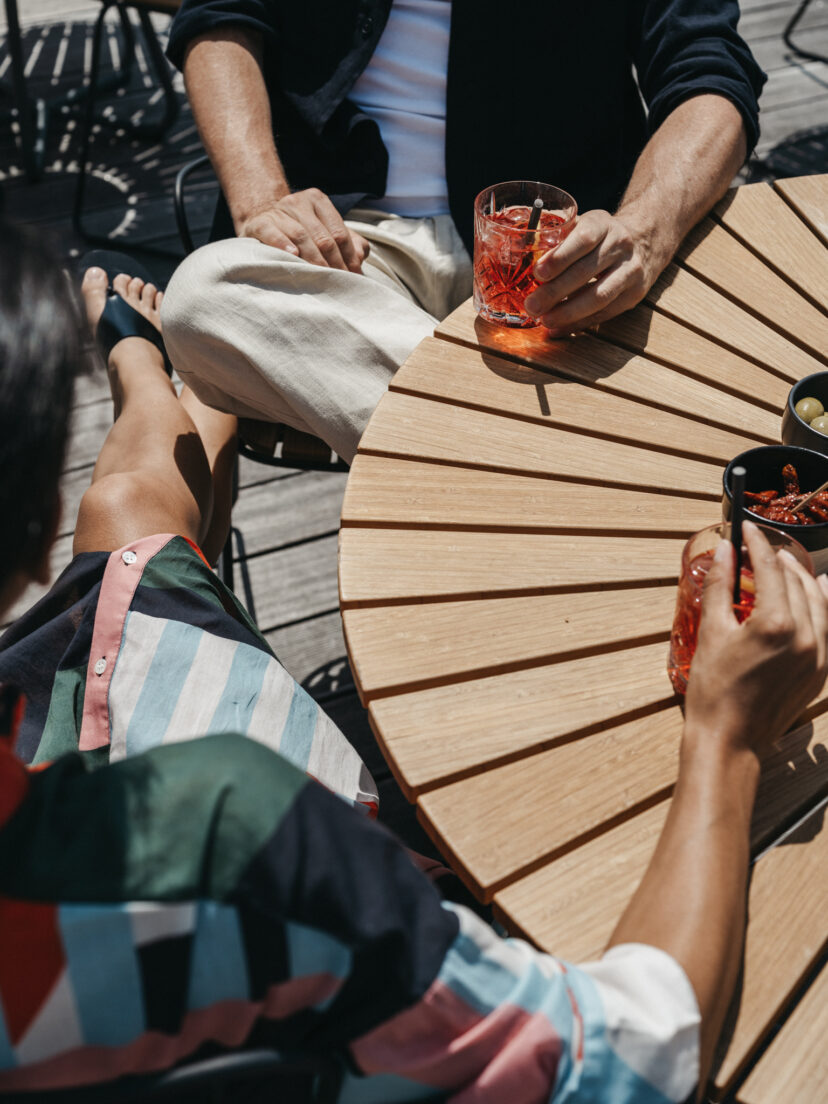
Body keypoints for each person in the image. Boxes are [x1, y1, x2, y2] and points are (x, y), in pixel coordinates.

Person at [1, 224, 827, 1103]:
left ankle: (156, 377)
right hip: (292, 908)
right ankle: (159, 378)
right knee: (137, 507)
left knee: (132, 509)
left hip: (49, 755)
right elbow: (634, 1054)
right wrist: (727, 734)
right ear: (31, 532)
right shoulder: (244, 845)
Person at [158, 0, 766, 463]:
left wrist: (645, 231)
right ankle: (546, 459)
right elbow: (219, 16)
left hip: (559, 255)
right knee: (203, 299)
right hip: (347, 241)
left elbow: (707, 63)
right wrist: (264, 198)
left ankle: (483, 462)